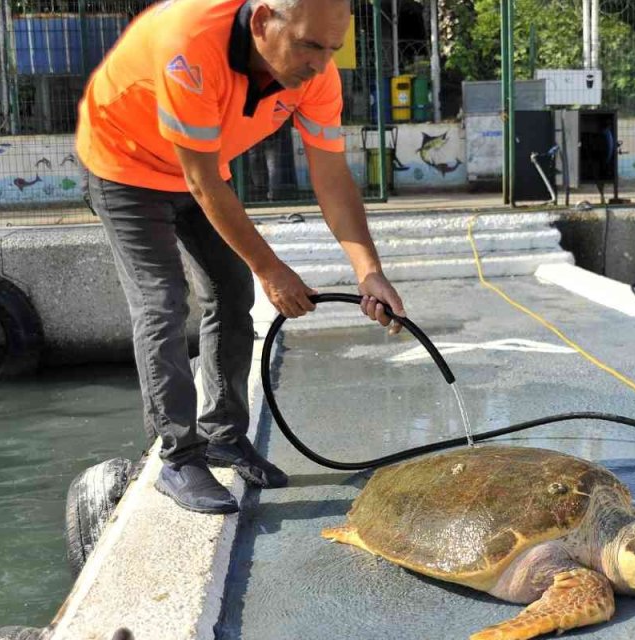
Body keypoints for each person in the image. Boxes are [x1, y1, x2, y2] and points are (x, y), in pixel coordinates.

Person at [75, 0, 406, 515]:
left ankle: (224, 436)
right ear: (261, 22)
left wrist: (370, 272)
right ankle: (179, 458)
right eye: (308, 45)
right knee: (162, 302)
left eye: (332, 49)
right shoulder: (189, 42)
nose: (320, 63)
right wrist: (272, 270)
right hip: (125, 165)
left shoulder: (316, 73)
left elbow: (331, 176)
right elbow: (202, 183)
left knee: (231, 293)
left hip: (201, 168)